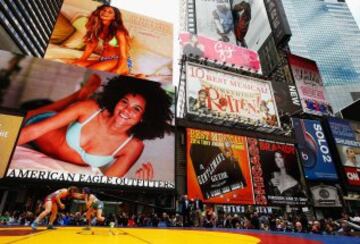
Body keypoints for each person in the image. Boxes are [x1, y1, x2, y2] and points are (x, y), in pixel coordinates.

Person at [18, 74, 173, 178]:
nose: (126, 110)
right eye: (124, 101)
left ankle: (77, 97)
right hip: (39, 129)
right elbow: (34, 131)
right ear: (117, 100)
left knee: (74, 106)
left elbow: (108, 183)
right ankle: (76, 97)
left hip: (48, 146)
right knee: (27, 117)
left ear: (143, 118)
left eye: (136, 109)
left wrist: (140, 185)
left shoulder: (133, 146)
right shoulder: (91, 109)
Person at [70, 4, 131, 75]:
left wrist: (119, 69)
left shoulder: (119, 31)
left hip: (119, 60)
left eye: (110, 12)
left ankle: (127, 72)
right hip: (103, 60)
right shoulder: (97, 28)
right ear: (99, 11)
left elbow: (123, 55)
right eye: (104, 10)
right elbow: (91, 46)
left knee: (90, 72)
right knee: (76, 65)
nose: (105, 12)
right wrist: (81, 60)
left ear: (114, 17)